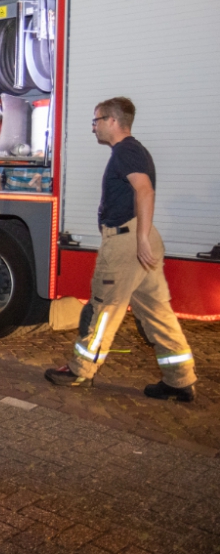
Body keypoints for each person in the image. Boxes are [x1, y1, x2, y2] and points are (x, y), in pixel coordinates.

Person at [45, 97, 197, 401]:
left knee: (104, 309)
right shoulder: (131, 151)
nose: (93, 127)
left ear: (112, 121)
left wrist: (140, 239)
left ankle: (80, 370)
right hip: (139, 240)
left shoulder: (126, 152)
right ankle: (180, 379)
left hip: (127, 242)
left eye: (96, 120)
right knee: (157, 313)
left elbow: (145, 190)